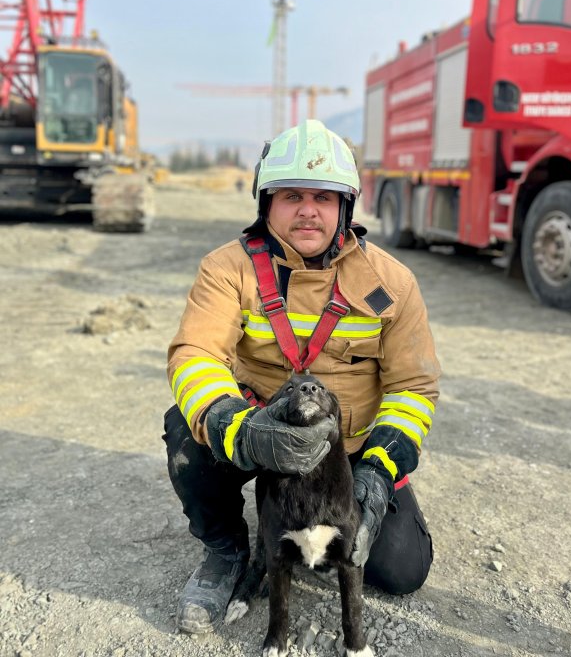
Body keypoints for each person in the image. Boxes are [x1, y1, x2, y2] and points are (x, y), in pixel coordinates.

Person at [163, 119, 440, 634]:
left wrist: (378, 473)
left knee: (402, 572)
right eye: (291, 195)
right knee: (187, 427)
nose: (308, 209)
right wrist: (238, 428)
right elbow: (195, 354)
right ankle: (226, 554)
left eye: (324, 196)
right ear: (266, 202)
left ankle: (312, 529)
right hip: (257, 432)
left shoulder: (393, 284)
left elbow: (413, 389)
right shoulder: (227, 269)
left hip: (350, 452)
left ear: (345, 208)